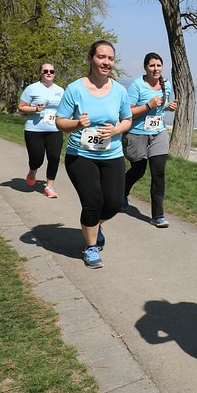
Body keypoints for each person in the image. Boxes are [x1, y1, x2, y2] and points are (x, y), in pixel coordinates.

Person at [56, 41, 132, 269]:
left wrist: (117, 129)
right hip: (81, 155)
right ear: (91, 58)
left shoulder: (119, 90)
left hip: (112, 154)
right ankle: (90, 248)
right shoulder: (75, 89)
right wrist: (77, 123)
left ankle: (94, 225)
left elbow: (127, 119)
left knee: (114, 203)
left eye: (110, 58)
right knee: (93, 202)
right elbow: (60, 122)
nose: (106, 62)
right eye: (101, 57)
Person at [124, 52, 178, 227]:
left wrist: (168, 107)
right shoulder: (136, 86)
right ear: (145, 67)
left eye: (158, 65)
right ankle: (121, 193)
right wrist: (148, 106)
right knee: (138, 170)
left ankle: (158, 215)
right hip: (137, 134)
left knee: (158, 173)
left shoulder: (166, 85)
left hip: (158, 134)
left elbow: (160, 108)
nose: (156, 69)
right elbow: (127, 112)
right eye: (152, 66)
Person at [18, 62, 66, 198]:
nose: (49, 73)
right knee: (36, 159)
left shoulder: (60, 90)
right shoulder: (32, 89)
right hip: (34, 129)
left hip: (54, 129)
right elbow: (21, 107)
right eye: (45, 71)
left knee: (54, 157)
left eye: (52, 71)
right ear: (41, 73)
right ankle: (33, 170)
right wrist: (35, 109)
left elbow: (65, 109)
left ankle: (49, 186)